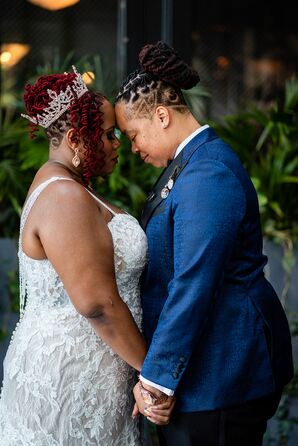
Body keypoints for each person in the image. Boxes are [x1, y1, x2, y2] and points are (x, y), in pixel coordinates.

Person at [115, 41, 294, 446]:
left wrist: (156, 379)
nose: (133, 148)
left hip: (223, 371)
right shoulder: (188, 164)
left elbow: (194, 280)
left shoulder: (208, 170)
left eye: (133, 134)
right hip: (204, 369)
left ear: (161, 116)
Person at [0, 66, 173, 446]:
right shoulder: (64, 196)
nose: (118, 144)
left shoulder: (69, 185)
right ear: (77, 139)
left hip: (93, 374)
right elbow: (98, 303)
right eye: (109, 135)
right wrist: (153, 373)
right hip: (69, 381)